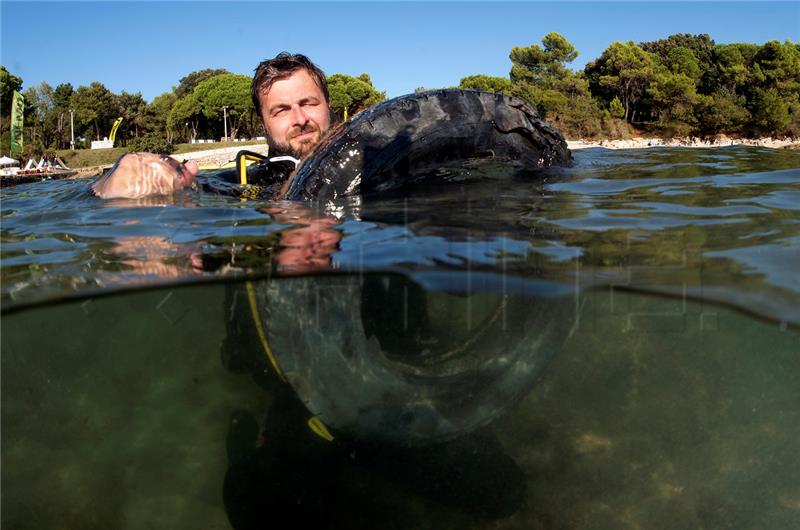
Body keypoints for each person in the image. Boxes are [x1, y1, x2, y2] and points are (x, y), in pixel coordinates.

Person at [92, 53, 334, 200]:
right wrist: (122, 180)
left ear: (328, 105)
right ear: (262, 123)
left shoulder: (369, 160)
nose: (300, 118)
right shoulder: (243, 183)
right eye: (281, 110)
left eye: (309, 103)